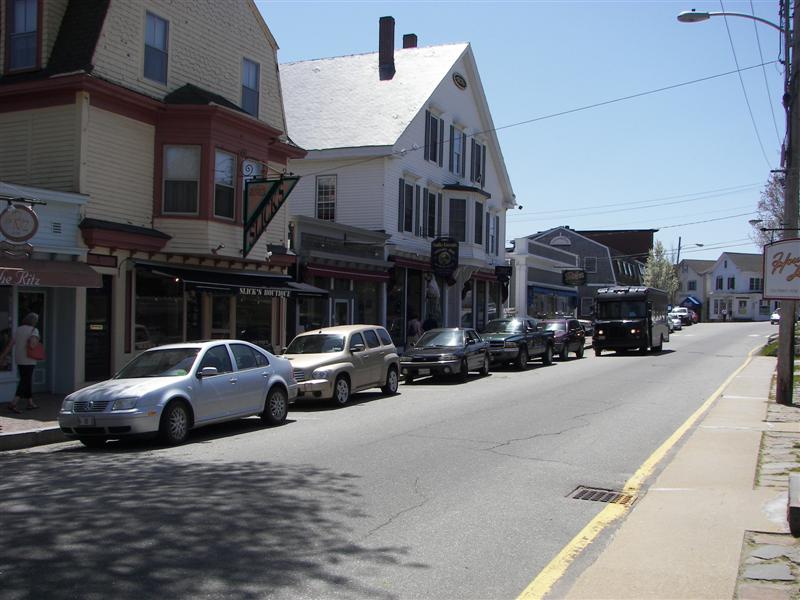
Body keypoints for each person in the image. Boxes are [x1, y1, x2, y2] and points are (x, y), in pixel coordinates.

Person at [0, 312, 41, 413]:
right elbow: (32, 345)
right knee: (25, 380)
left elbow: (10, 344)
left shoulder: (18, 329)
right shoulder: (34, 330)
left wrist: (2, 355)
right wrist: (37, 340)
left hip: (19, 359)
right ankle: (14, 403)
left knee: (26, 379)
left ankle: (30, 402)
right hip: (29, 359)